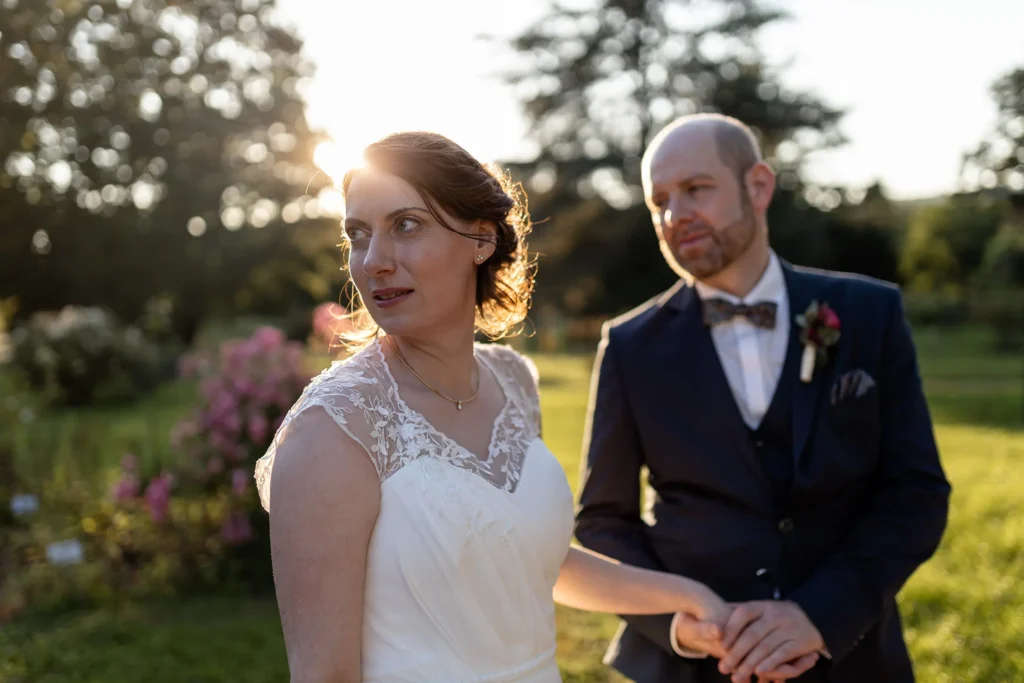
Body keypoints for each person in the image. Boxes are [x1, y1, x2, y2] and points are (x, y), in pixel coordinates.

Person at [253, 131, 748, 683]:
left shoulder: (513, 381)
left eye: (406, 225)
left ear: (481, 239)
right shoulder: (332, 429)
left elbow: (531, 558)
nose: (374, 261)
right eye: (358, 235)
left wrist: (688, 596)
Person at [574, 113, 951, 683]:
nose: (676, 216)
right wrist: (680, 620)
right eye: (659, 202)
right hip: (697, 665)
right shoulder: (629, 345)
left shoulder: (869, 314)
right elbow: (604, 521)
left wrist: (820, 613)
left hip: (849, 656)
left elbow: (916, 493)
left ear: (758, 185)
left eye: (697, 189)